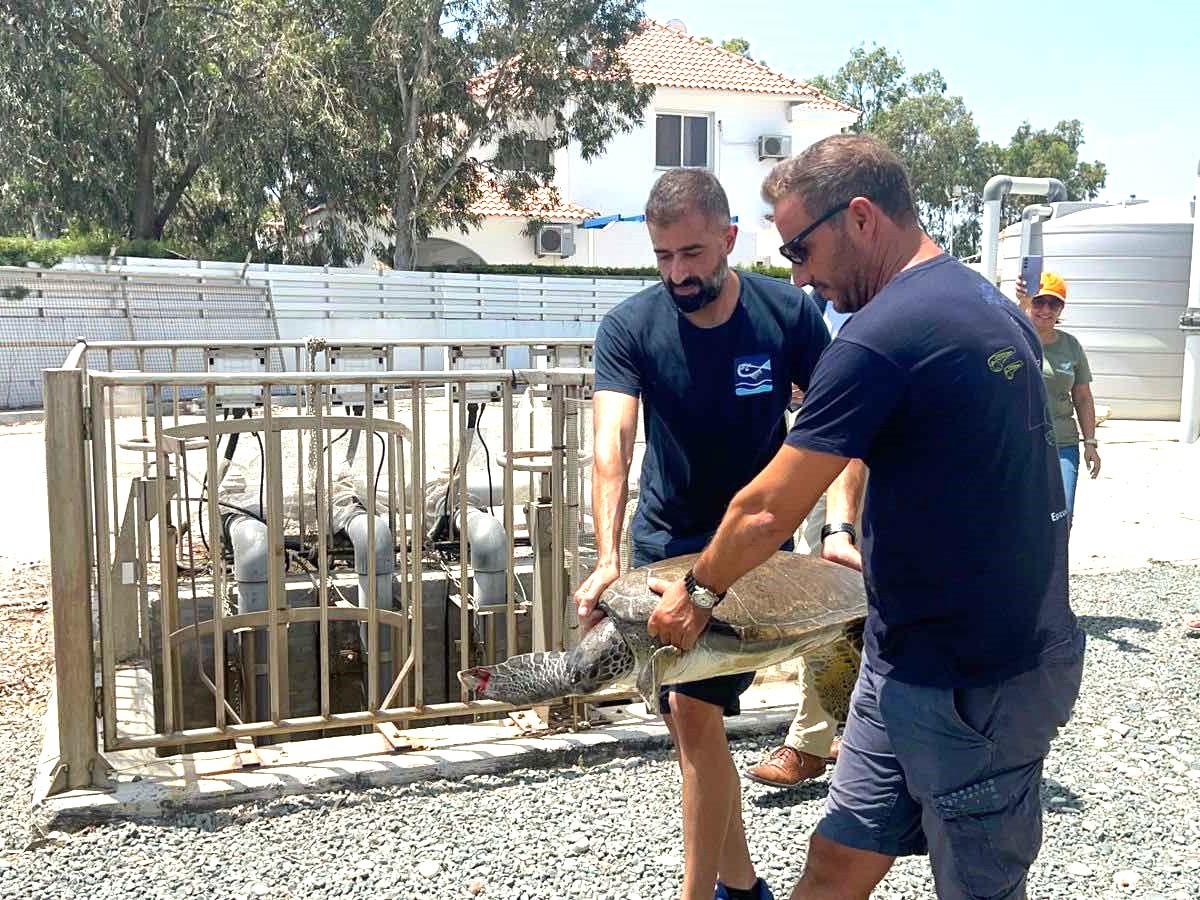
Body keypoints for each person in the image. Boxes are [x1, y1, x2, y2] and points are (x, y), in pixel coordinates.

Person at [647, 134, 1085, 900]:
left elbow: (764, 507)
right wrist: (850, 536)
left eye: (801, 251)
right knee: (836, 864)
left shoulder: (884, 337)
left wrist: (700, 593)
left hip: (975, 679)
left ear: (859, 218)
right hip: (904, 658)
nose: (801, 277)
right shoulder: (982, 302)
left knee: (978, 887)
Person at [574, 167, 861, 900]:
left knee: (695, 718)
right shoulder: (629, 327)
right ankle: (742, 886)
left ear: (730, 239)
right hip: (663, 550)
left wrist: (839, 524)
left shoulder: (786, 316)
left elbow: (843, 429)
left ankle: (704, 896)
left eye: (694, 254)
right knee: (691, 723)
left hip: (755, 557)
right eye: (664, 256)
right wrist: (607, 558)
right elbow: (612, 442)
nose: (678, 272)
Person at [745, 292, 864, 788]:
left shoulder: (907, 297)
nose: (798, 269)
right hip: (826, 459)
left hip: (898, 466)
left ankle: (869, 740)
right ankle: (811, 742)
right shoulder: (813, 304)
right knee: (827, 606)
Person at [1015, 271, 1102, 524]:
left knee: (1062, 515)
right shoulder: (1013, 338)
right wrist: (1021, 304)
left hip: (1062, 443)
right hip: (1021, 444)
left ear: (1061, 308)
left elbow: (1083, 398)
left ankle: (1054, 564)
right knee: (1021, 516)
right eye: (1039, 301)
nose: (1045, 309)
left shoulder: (1071, 346)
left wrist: (1090, 443)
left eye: (1053, 303)